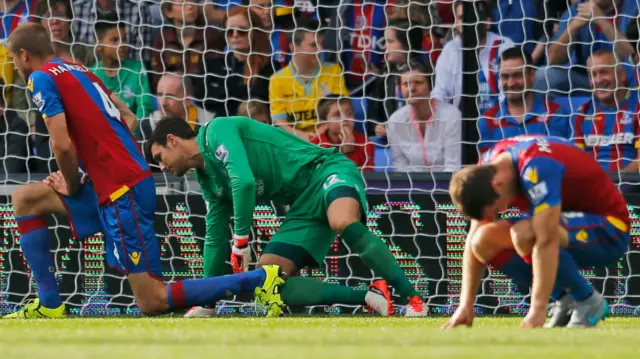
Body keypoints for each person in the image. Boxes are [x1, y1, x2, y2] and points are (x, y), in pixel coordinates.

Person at [4, 22, 284, 319]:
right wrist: (96, 166)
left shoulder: (40, 78)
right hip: (116, 182)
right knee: (26, 199)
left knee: (152, 301)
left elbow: (62, 146)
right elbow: (128, 116)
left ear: (23, 55)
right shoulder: (80, 70)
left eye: (11, 59)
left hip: (122, 190)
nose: (13, 65)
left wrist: (73, 184)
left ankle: (260, 280)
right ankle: (49, 304)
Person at [147, 116, 430, 317]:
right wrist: (207, 300)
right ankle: (370, 295)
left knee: (341, 221)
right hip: (302, 205)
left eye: (160, 157)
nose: (162, 167)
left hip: (324, 169)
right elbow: (214, 236)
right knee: (269, 285)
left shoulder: (216, 131)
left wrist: (241, 240)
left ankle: (413, 299)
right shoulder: (208, 181)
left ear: (172, 141)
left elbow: (243, 181)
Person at [445, 136, 630, 328]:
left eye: (496, 207)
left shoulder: (537, 166)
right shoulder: (489, 165)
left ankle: (588, 300)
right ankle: (565, 300)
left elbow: (546, 240)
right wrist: (465, 304)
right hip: (565, 224)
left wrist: (537, 309)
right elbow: (473, 238)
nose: (502, 210)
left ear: (498, 184)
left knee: (526, 233)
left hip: (610, 229)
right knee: (483, 240)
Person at [478, 48, 571, 154]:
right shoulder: (487, 121)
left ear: (532, 75)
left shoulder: (556, 115)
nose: (511, 83)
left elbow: (560, 160)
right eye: (505, 76)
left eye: (517, 75)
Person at [269, 21, 349, 141]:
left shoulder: (334, 71)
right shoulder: (277, 80)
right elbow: (280, 122)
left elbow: (342, 111)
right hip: (294, 140)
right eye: (313, 45)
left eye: (321, 44)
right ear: (293, 47)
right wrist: (301, 135)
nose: (320, 49)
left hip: (329, 138)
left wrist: (319, 134)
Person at [572, 49, 640, 172]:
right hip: (592, 187)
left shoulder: (637, 107)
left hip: (631, 187)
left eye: (604, 72)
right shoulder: (581, 113)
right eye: (592, 75)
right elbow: (576, 163)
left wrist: (611, 185)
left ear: (622, 75)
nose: (598, 80)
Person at [387, 61, 462, 172]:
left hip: (447, 184)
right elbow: (401, 168)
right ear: (399, 89)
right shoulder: (395, 121)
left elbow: (453, 166)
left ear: (430, 85)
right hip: (411, 186)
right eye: (406, 84)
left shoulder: (451, 115)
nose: (412, 88)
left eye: (418, 82)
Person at [91, 18, 154, 139]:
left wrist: (127, 136)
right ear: (99, 45)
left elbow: (144, 107)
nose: (122, 44)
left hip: (133, 137)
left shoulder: (137, 68)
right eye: (115, 40)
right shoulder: (91, 74)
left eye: (124, 39)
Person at [312, 94, 374, 172]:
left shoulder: (365, 143)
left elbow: (367, 177)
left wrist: (349, 153)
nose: (345, 119)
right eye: (337, 114)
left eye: (349, 113)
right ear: (324, 123)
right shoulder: (315, 145)